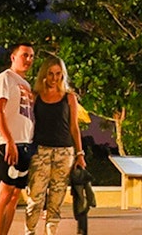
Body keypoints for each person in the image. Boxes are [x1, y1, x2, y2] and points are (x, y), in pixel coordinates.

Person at [24, 55, 85, 235]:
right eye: (50, 74)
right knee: (35, 198)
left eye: (58, 74)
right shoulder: (35, 97)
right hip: (40, 151)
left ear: (63, 75)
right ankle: (30, 231)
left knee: (56, 199)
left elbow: (74, 127)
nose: (54, 78)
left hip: (64, 152)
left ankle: (51, 232)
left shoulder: (69, 98)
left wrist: (80, 154)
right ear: (44, 74)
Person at [0, 43, 36, 235]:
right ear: (13, 57)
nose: (28, 60)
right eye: (24, 55)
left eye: (32, 56)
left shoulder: (25, 84)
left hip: (25, 143)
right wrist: (9, 141)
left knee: (15, 195)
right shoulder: (5, 78)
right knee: (5, 192)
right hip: (7, 143)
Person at [68, 163, 96, 235]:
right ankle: (81, 230)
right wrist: (92, 201)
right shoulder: (83, 174)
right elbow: (89, 190)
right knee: (81, 208)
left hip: (78, 179)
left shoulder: (79, 173)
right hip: (79, 178)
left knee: (80, 208)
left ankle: (81, 230)